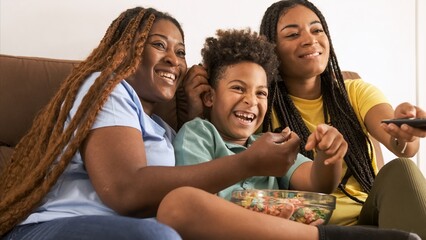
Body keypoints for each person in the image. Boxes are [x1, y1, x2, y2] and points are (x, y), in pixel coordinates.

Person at [0, 5, 368, 240]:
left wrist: (328, 156)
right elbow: (126, 191)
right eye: (159, 45)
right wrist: (247, 161)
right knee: (159, 237)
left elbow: (317, 184)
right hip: (60, 226)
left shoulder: (164, 129)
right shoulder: (105, 88)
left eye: (180, 52)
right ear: (127, 48)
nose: (174, 60)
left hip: (131, 229)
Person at [257, 0, 426, 238]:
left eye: (317, 30)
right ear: (272, 49)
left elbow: (401, 145)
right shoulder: (261, 108)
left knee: (403, 169)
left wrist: (404, 128)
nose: (310, 39)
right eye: (293, 34)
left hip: (371, 217)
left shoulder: (355, 92)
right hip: (312, 228)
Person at [174, 28, 346, 206]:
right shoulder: (199, 133)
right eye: (238, 88)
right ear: (210, 97)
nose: (251, 101)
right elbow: (196, 199)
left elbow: (318, 184)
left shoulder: (268, 146)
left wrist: (329, 154)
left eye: (261, 93)